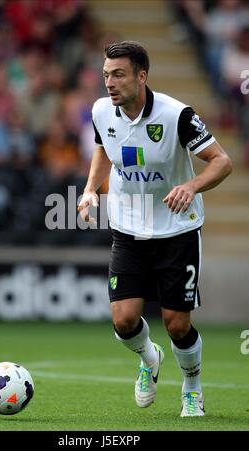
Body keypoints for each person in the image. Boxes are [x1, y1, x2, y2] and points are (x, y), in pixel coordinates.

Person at [77, 41, 232, 417]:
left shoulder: (177, 115)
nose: (109, 83)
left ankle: (192, 389)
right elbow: (102, 148)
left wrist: (191, 185)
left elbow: (221, 161)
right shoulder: (102, 110)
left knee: (177, 324)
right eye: (105, 75)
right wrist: (89, 190)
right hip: (129, 228)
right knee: (124, 319)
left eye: (118, 75)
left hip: (177, 230)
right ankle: (150, 357)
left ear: (141, 76)